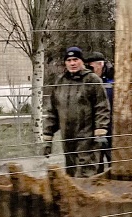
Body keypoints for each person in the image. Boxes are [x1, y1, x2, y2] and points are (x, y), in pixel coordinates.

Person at [43, 47, 111, 177]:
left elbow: (102, 106)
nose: (72, 63)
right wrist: (48, 137)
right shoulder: (60, 82)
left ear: (82, 61)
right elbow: (52, 111)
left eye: (75, 59)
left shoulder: (92, 80)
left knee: (86, 175)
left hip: (88, 138)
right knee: (71, 175)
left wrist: (101, 130)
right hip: (68, 140)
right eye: (69, 60)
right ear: (65, 63)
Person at [86, 51, 114, 173]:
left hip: (111, 128)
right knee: (96, 165)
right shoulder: (89, 81)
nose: (89, 70)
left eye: (91, 67)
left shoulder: (112, 81)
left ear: (100, 64)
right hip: (94, 128)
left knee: (114, 163)